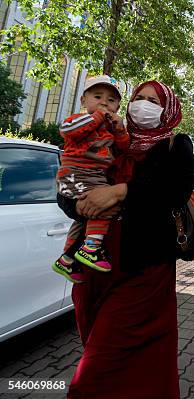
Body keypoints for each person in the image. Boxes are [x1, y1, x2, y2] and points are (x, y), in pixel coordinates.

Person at [57, 80, 194, 399]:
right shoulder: (107, 136)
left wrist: (120, 191)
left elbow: (175, 190)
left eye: (153, 101)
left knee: (96, 370)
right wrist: (79, 204)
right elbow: (68, 183)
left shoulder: (175, 145)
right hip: (91, 268)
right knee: (96, 346)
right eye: (138, 98)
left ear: (168, 111)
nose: (143, 104)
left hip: (143, 272)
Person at [52, 76, 129, 283]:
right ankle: (91, 248)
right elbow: (68, 130)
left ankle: (67, 259)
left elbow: (123, 148)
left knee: (83, 220)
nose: (104, 102)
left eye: (111, 100)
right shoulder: (78, 120)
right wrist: (96, 118)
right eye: (97, 96)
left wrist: (120, 129)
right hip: (75, 175)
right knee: (102, 206)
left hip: (94, 177)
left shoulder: (109, 129)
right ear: (83, 101)